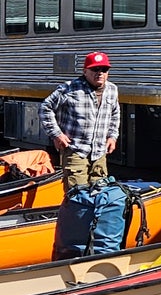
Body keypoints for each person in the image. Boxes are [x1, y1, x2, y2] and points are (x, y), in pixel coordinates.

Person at [40, 52, 119, 194]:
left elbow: (115, 113)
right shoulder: (69, 88)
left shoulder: (112, 90)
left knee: (100, 195)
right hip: (76, 151)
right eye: (95, 69)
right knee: (77, 197)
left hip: (99, 153)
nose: (100, 73)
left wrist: (112, 136)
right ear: (85, 71)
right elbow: (45, 108)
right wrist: (56, 134)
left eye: (104, 70)